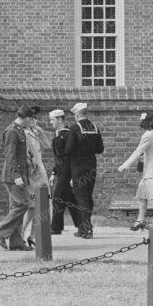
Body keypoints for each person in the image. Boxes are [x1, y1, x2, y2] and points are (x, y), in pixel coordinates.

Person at [0, 105, 37, 251]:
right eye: (31, 120)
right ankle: (1, 232)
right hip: (13, 176)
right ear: (28, 118)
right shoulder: (12, 131)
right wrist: (16, 176)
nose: (31, 122)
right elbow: (10, 156)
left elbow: (20, 154)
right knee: (23, 205)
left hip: (18, 175)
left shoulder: (18, 130)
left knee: (16, 207)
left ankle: (16, 241)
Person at [119, 110, 153, 230]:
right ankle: (140, 220)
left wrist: (125, 165)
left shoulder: (148, 135)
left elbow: (138, 151)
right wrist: (147, 155)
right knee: (142, 195)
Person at [65, 100, 104, 238]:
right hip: (91, 167)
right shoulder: (95, 127)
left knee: (81, 197)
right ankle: (82, 228)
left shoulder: (75, 128)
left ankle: (87, 228)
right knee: (88, 197)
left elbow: (69, 149)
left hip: (78, 168)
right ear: (86, 114)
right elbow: (100, 149)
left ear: (77, 115)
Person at [47, 109, 75, 235]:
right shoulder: (59, 134)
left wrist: (71, 176)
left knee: (57, 198)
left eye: (52, 120)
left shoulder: (68, 134)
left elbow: (69, 157)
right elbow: (58, 158)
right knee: (70, 199)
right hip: (61, 171)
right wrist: (53, 173)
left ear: (59, 119)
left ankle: (56, 227)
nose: (51, 122)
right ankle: (82, 224)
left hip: (67, 172)